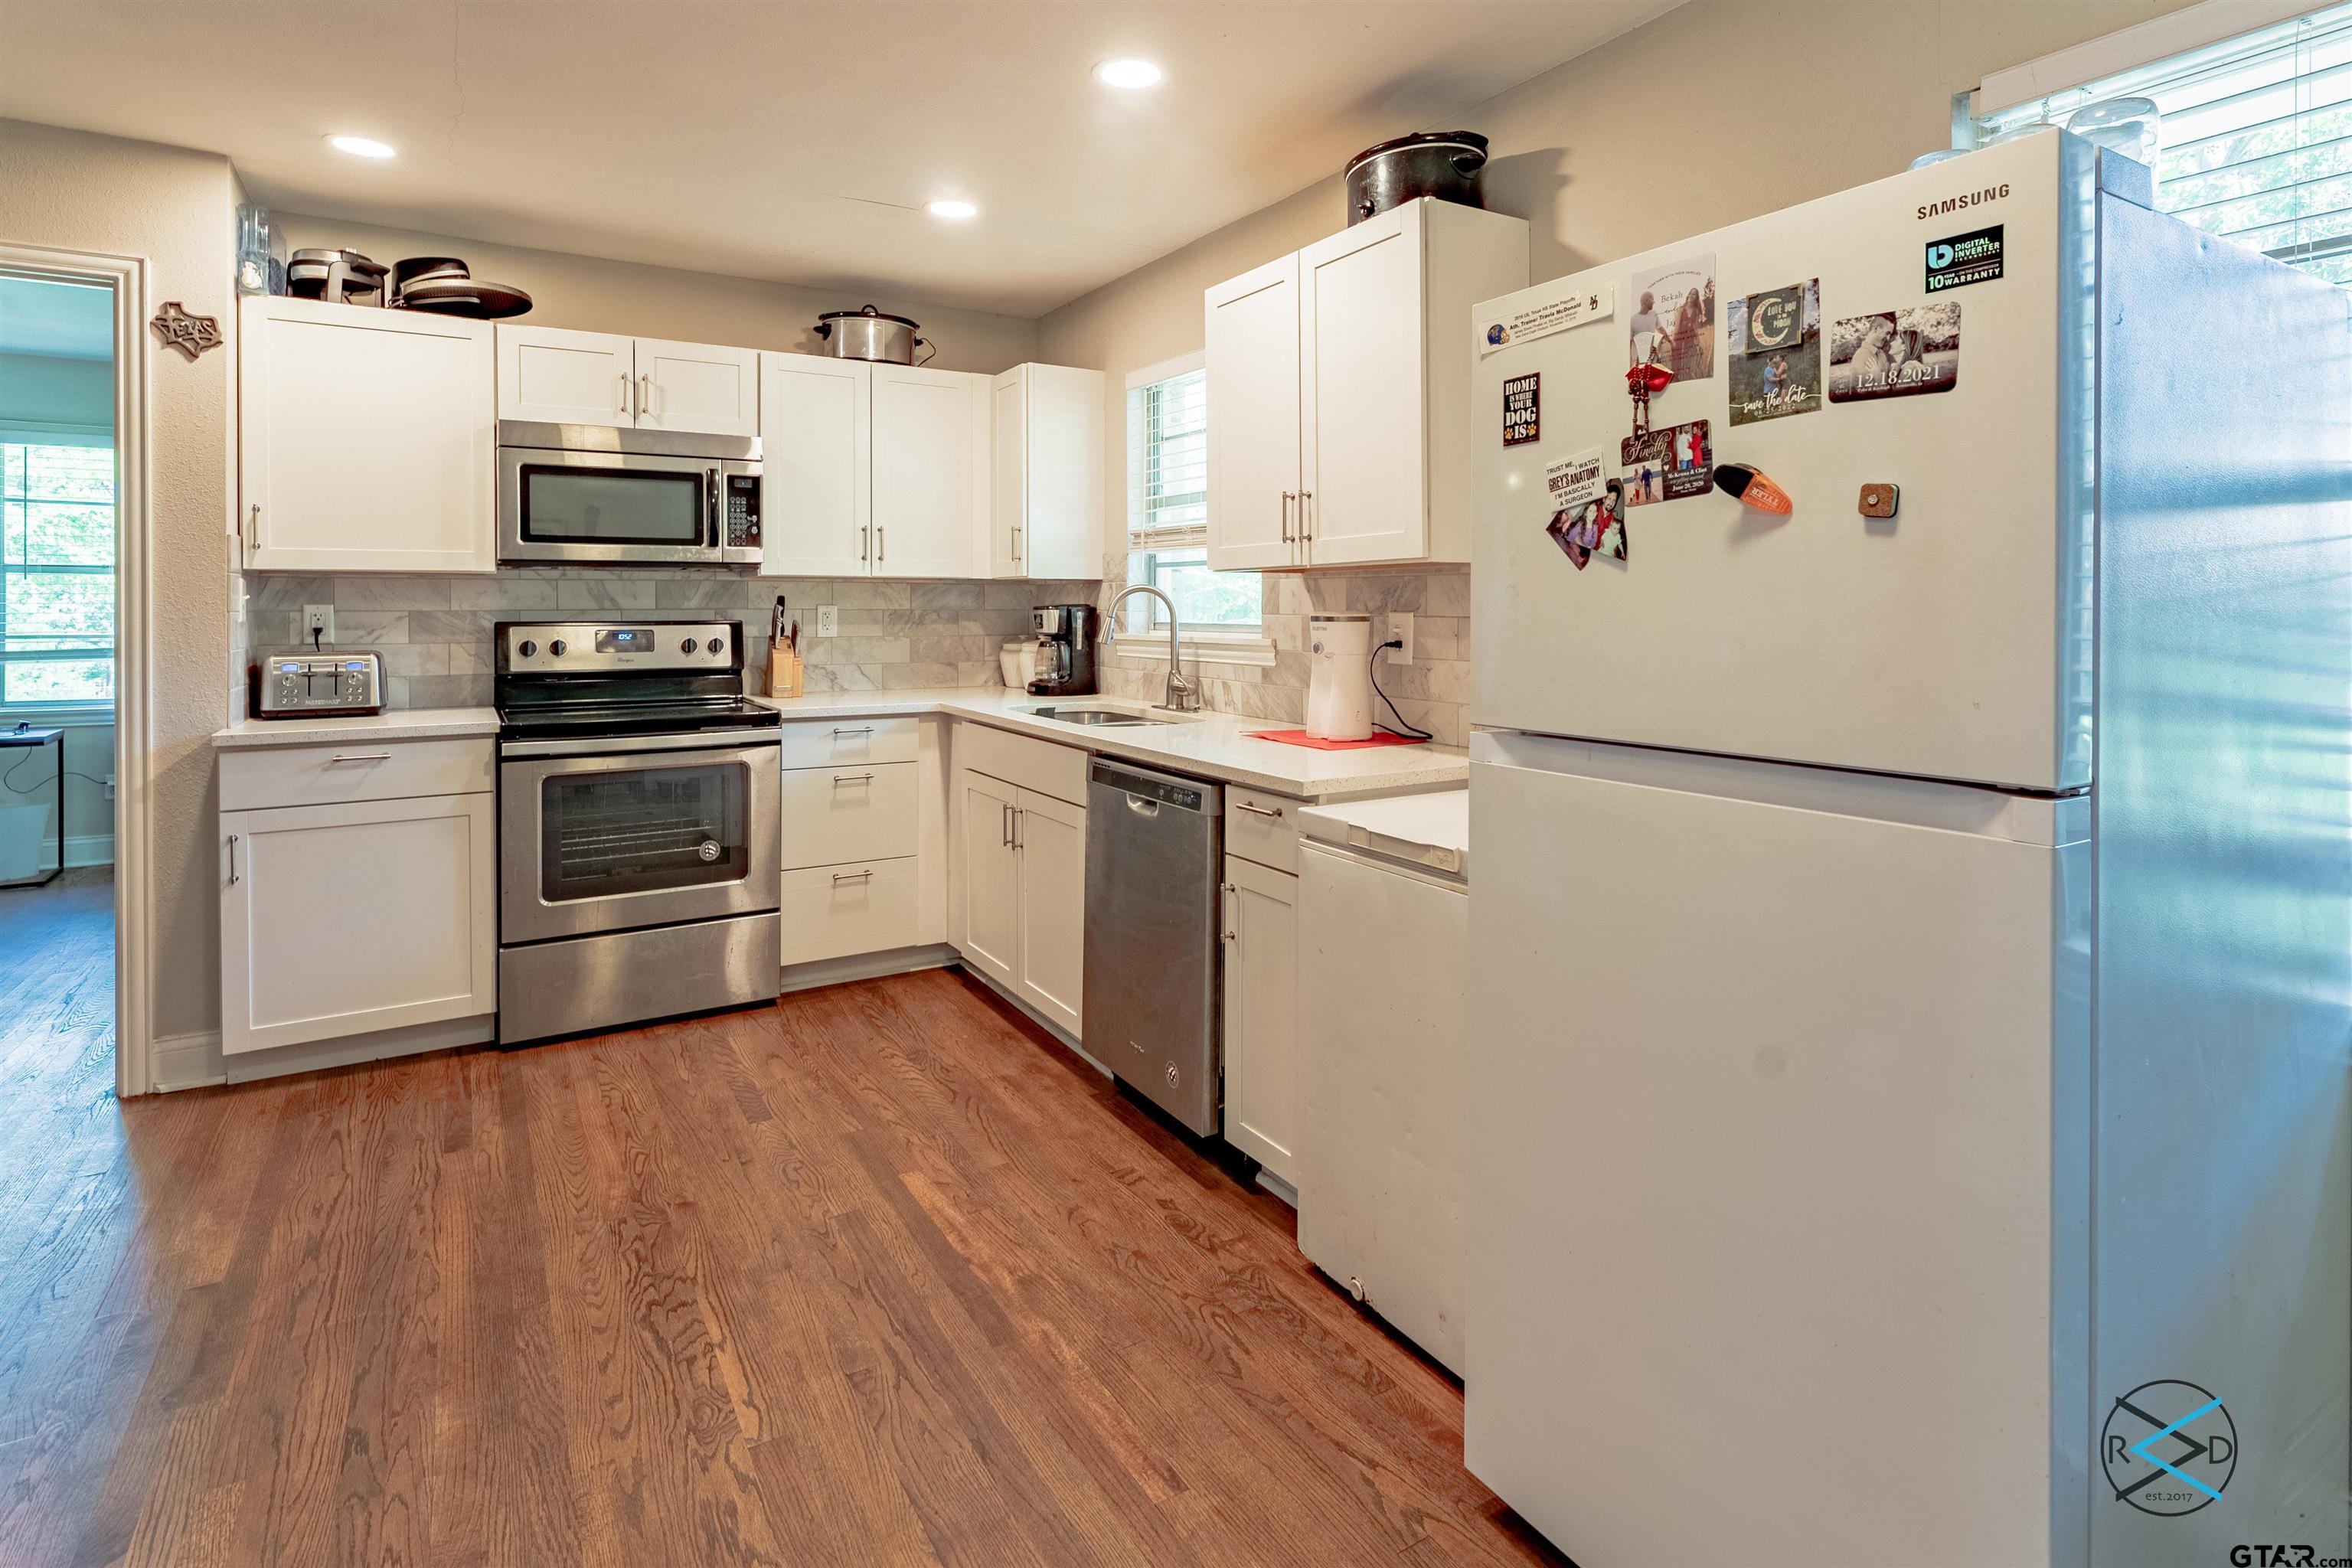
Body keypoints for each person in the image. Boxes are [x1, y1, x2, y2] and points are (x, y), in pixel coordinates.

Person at [1664, 286, 1708, 381]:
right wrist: (1673, 340)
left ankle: (1686, 377)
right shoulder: (1681, 309)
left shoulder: (1696, 311)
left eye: (1694, 294)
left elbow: (1696, 327)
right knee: (1677, 358)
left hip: (1690, 336)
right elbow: (1677, 325)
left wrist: (1698, 343)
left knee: (1689, 357)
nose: (1691, 296)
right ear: (1688, 295)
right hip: (1680, 335)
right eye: (1690, 293)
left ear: (1696, 297)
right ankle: (1675, 378)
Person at [1628, 290, 1658, 365]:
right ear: (1647, 300)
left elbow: (1661, 329)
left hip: (1653, 358)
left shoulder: (1654, 314)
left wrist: (1671, 342)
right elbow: (1629, 343)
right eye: (1652, 299)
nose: (1654, 302)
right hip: (1638, 362)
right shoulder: (1633, 320)